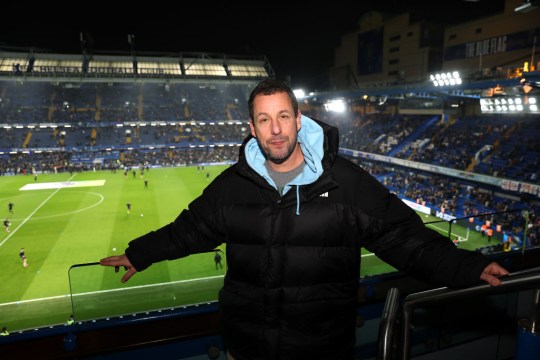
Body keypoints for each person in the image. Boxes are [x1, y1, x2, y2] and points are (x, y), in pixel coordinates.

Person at [100, 79, 509, 360]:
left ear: (299, 119)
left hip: (323, 351)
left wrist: (464, 265)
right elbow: (191, 229)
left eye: (283, 117)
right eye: (264, 119)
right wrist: (142, 253)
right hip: (247, 349)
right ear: (252, 128)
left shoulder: (345, 183)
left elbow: (404, 238)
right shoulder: (233, 185)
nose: (275, 130)